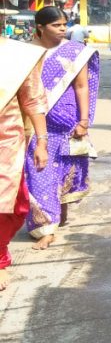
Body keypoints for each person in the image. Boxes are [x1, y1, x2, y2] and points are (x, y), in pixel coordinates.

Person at [23, 7, 99, 249]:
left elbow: (81, 87)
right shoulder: (25, 52)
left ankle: (57, 215)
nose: (62, 30)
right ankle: (46, 228)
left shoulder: (75, 52)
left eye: (64, 25)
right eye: (56, 25)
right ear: (40, 27)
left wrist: (84, 121)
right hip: (36, 123)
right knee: (38, 171)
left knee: (64, 170)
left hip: (67, 120)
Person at [0, 31, 47, 290]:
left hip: (6, 141)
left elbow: (32, 101)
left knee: (8, 205)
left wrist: (42, 142)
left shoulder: (17, 57)